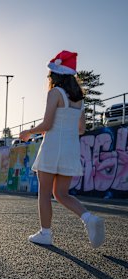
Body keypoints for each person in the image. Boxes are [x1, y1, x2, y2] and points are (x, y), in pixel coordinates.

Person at [19, 50, 105, 248]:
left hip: (51, 147)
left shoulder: (55, 93)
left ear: (56, 74)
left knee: (45, 193)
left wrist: (28, 132)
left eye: (50, 74)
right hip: (70, 149)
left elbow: (47, 124)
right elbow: (81, 129)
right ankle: (89, 218)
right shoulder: (79, 99)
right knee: (62, 194)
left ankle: (45, 233)